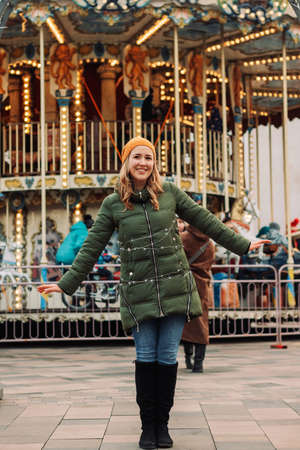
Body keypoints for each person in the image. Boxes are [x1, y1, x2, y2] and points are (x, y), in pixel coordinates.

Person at [38, 137, 269, 450]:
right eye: (136, 157)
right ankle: (148, 426)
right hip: (138, 289)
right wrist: (66, 283)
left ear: (154, 163)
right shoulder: (113, 204)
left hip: (175, 286)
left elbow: (205, 221)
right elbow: (92, 246)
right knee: (145, 357)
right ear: (127, 162)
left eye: (147, 157)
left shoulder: (170, 193)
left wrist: (242, 244)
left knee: (166, 357)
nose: (142, 163)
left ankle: (163, 424)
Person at [178, 220, 214, 373]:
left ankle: (188, 358)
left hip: (186, 282)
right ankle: (199, 362)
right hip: (203, 284)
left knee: (187, 320)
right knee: (201, 321)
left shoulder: (183, 238)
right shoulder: (210, 243)